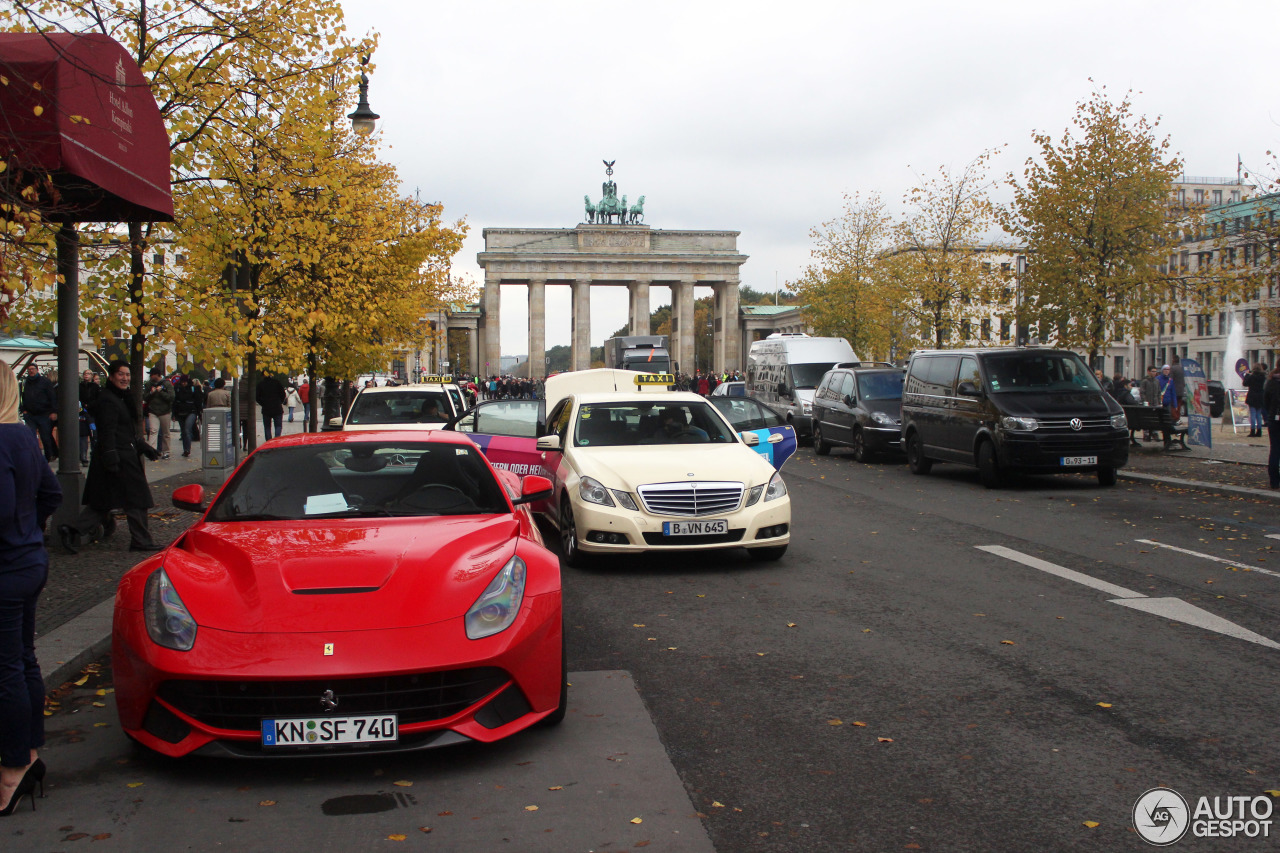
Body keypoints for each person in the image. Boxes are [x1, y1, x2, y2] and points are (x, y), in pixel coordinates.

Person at [0, 360, 60, 817]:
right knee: (22, 659)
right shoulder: (23, 436)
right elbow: (51, 493)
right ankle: (30, 754)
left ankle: (13, 768)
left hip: (6, 567)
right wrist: (30, 529)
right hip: (29, 560)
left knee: (6, 670)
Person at [59, 360, 160, 554]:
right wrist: (112, 457)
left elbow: (125, 431)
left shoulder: (120, 397)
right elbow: (108, 431)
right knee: (137, 499)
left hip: (120, 454)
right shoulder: (108, 399)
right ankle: (141, 540)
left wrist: (144, 446)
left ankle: (71, 530)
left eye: (128, 375)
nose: (125, 378)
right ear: (112, 376)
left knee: (103, 501)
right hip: (118, 457)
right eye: (121, 374)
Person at [18, 364, 57, 462]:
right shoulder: (25, 382)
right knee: (31, 436)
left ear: (37, 370)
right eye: (29, 369)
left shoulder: (45, 382)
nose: (31, 371)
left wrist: (53, 411)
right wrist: (23, 410)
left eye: (32, 369)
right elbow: (21, 396)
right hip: (30, 414)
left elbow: (52, 397)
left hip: (44, 414)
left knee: (45, 436)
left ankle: (49, 456)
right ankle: (35, 456)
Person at [144, 368, 174, 459]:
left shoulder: (167, 384)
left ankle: (166, 451)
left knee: (166, 433)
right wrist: (151, 393)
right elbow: (145, 397)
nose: (150, 376)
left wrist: (161, 392)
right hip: (153, 411)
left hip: (165, 412)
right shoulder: (149, 384)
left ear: (157, 375)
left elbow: (171, 397)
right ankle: (152, 451)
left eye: (151, 374)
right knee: (153, 431)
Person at [171, 374, 203, 458]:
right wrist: (173, 414)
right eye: (182, 382)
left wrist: (199, 414)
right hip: (180, 412)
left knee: (187, 429)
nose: (183, 384)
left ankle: (187, 449)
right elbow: (174, 402)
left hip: (191, 411)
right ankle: (185, 449)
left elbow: (198, 402)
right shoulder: (177, 388)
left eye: (185, 382)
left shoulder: (193, 389)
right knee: (184, 432)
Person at [78, 369, 101, 465]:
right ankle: (83, 457)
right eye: (85, 374)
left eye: (88, 374)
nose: (86, 375)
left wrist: (90, 406)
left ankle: (94, 455)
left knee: (94, 435)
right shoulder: (79, 386)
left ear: (92, 376)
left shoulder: (95, 387)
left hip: (92, 413)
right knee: (83, 435)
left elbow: (98, 399)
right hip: (82, 413)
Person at [255, 374, 286, 440]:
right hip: (277, 408)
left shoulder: (261, 384)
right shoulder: (277, 383)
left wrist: (263, 403)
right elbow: (283, 394)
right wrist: (280, 402)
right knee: (278, 426)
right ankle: (277, 440)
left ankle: (269, 441)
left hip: (266, 409)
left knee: (267, 427)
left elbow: (257, 397)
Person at [1265, 367, 1280, 489]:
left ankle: (1274, 481)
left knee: (1275, 449)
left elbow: (1265, 402)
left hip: (1274, 420)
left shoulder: (1271, 382)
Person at [1243, 362, 1267, 438]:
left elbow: (1245, 383)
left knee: (1253, 414)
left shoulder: (1252, 377)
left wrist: (1247, 375)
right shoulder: (1263, 377)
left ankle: (1252, 430)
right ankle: (1259, 431)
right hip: (1260, 396)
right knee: (1258, 415)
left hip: (1252, 396)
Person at [1170, 354, 1187, 419]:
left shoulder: (1172, 368)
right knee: (1179, 405)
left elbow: (1170, 380)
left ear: (1173, 360)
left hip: (1174, 391)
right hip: (1181, 391)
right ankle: (1178, 418)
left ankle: (1175, 418)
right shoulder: (1182, 368)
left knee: (1173, 406)